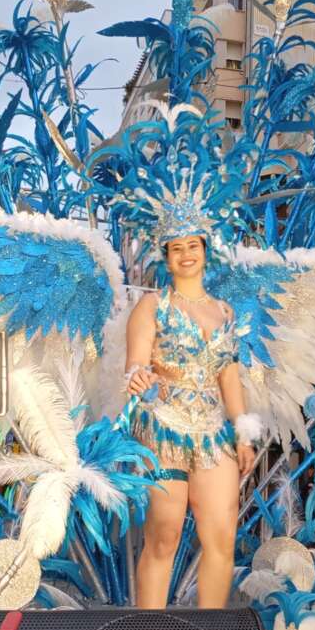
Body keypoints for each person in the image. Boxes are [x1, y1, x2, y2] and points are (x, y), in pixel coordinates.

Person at [126, 232, 260, 609]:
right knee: (164, 537)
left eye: (193, 247)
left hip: (214, 435)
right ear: (166, 259)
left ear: (205, 253)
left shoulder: (225, 312)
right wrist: (139, 376)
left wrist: (243, 434)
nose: (186, 255)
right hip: (163, 430)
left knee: (221, 538)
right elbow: (135, 362)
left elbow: (229, 377)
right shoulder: (152, 306)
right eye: (177, 249)